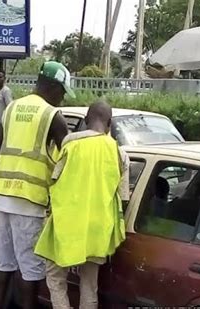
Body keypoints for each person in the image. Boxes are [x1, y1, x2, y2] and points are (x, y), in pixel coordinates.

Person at [0, 61, 75, 309]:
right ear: (53, 87)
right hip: (30, 203)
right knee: (30, 272)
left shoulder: (12, 109)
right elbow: (71, 161)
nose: (62, 99)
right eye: (62, 92)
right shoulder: (52, 116)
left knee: (5, 266)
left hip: (3, 201)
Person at [34, 101, 126, 309]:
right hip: (98, 231)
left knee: (55, 278)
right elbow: (123, 196)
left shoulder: (70, 147)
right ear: (110, 123)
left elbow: (53, 181)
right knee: (89, 285)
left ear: (85, 121)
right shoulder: (118, 152)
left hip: (67, 228)